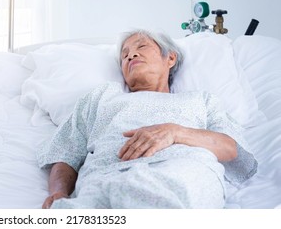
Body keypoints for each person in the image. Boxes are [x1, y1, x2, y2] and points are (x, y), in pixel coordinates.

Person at [37, 29, 257, 209]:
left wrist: (175, 132)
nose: (131, 55)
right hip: (105, 175)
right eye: (124, 55)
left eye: (141, 47)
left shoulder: (201, 100)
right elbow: (65, 152)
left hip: (180, 171)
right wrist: (59, 192)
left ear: (170, 57)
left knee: (153, 197)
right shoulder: (101, 97)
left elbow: (231, 149)